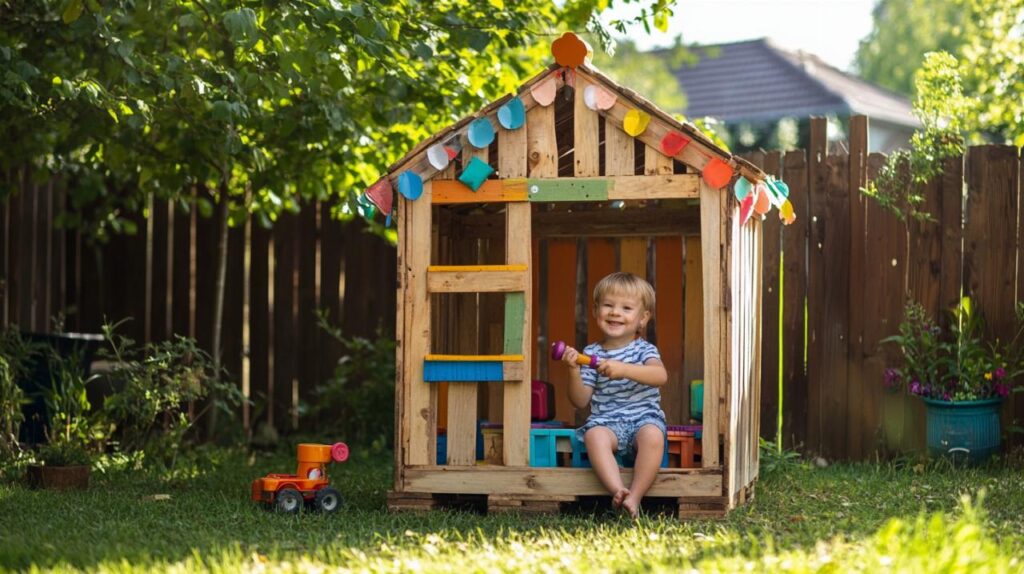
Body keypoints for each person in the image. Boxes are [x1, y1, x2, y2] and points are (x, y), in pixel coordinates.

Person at [559, 271, 668, 518]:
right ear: (597, 311)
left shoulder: (644, 350)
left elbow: (660, 376)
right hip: (607, 422)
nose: (615, 312)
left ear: (642, 319)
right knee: (594, 436)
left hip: (643, 419)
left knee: (653, 436)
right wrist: (574, 371)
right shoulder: (591, 353)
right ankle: (618, 490)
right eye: (608, 305)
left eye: (626, 308)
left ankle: (636, 496)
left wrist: (624, 369)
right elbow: (580, 400)